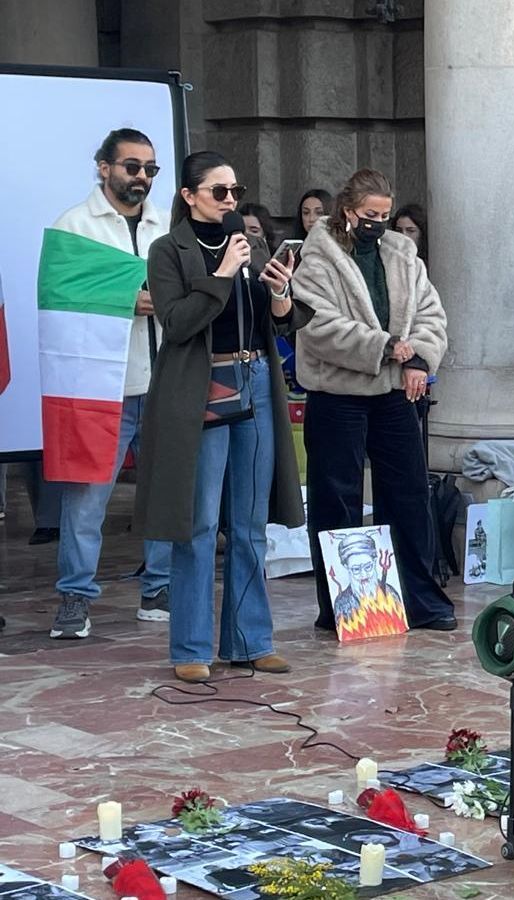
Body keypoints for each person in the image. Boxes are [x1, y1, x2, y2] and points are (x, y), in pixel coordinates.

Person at [137, 150, 309, 683]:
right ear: (189, 197)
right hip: (200, 387)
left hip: (255, 379)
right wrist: (221, 273)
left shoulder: (250, 246)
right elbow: (178, 322)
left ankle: (251, 639)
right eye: (219, 192)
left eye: (235, 191)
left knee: (250, 522)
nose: (231, 201)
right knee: (199, 522)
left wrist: (279, 294)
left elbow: (281, 324)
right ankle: (190, 646)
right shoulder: (169, 250)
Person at [293, 168, 456, 631]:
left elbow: (431, 313)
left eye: (385, 215)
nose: (379, 223)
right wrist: (383, 345)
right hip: (337, 393)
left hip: (393, 393)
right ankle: (343, 607)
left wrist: (420, 359)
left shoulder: (403, 255)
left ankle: (418, 598)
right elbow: (316, 325)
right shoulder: (318, 259)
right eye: (371, 215)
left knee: (407, 495)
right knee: (336, 499)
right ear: (348, 212)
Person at [45, 128, 173, 639]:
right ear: (104, 167)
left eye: (150, 169)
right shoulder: (74, 226)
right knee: (86, 500)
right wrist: (125, 298)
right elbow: (59, 297)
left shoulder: (168, 224)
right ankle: (75, 596)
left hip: (164, 380)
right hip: (103, 389)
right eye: (131, 166)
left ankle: (159, 586)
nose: (141, 177)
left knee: (165, 492)